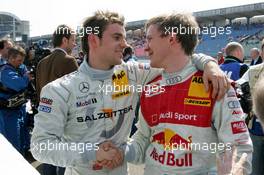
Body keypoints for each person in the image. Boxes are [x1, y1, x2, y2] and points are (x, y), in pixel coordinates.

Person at [31, 11, 228, 175]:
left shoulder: (133, 73)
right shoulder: (59, 90)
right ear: (93, 40)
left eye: (124, 38)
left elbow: (178, 58)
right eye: (117, 37)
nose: (125, 44)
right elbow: (41, 146)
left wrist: (209, 64)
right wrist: (92, 153)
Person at [123, 13, 253, 175]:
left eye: (149, 39)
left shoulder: (215, 84)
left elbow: (239, 146)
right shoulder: (151, 86)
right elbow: (143, 139)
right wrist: (120, 151)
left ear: (172, 39)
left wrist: (234, 170)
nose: (145, 47)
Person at [35, 24, 78, 175]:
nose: (75, 44)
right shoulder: (69, 61)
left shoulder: (42, 62)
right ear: (65, 40)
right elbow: (77, 94)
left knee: (48, 158)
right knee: (64, 161)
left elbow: (39, 91)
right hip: (65, 119)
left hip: (46, 116)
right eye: (73, 40)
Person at [237, 40, 264, 175]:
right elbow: (238, 88)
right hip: (256, 129)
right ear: (262, 53)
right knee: (256, 170)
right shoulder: (252, 71)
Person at [0, 46, 31, 155]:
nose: (21, 63)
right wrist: (26, 78)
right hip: (8, 113)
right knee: (13, 144)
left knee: (22, 139)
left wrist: (25, 75)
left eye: (22, 60)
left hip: (19, 109)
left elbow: (25, 70)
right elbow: (19, 85)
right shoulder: (5, 71)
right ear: (11, 58)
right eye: (19, 60)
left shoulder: (18, 67)